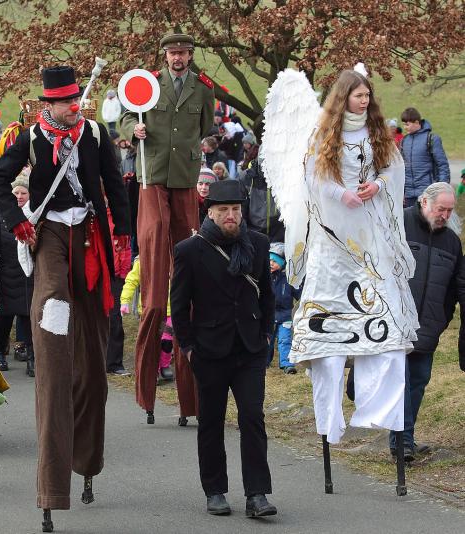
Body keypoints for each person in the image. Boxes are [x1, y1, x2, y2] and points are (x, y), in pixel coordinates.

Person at [0, 65, 131, 531]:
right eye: (64, 101)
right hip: (49, 241)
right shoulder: (29, 137)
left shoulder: (93, 133)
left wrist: (123, 236)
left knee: (92, 370)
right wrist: (17, 221)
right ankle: (52, 489)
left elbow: (113, 185)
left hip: (90, 242)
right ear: (47, 104)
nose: (73, 106)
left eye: (75, 99)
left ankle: (87, 461)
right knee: (53, 351)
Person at [288, 70, 417, 449]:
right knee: (334, 289)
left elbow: (394, 169)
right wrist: (339, 193)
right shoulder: (323, 133)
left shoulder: (378, 134)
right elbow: (312, 176)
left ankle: (375, 408)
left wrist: (377, 184)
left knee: (378, 296)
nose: (363, 101)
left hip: (370, 222)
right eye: (357, 95)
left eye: (367, 95)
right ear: (343, 97)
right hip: (335, 225)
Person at [119, 32, 212, 426]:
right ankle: (147, 393)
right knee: (155, 285)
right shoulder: (146, 83)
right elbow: (125, 116)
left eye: (184, 53)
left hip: (185, 179)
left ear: (190, 56)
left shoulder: (201, 88)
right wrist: (132, 131)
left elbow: (206, 126)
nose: (178, 58)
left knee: (187, 265)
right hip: (152, 175)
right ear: (166, 55)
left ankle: (191, 399)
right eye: (173, 52)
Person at [170, 179, 276, 517]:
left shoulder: (258, 245)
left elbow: (268, 298)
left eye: (236, 210)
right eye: (224, 210)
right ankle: (215, 490)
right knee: (211, 422)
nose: (231, 215)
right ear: (211, 212)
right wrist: (187, 347)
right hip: (209, 350)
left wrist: (267, 336)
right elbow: (179, 303)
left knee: (252, 417)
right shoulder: (190, 250)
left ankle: (257, 494)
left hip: (249, 349)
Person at [388, 182, 465, 460]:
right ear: (424, 202)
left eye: (449, 210)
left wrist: (443, 320)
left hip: (429, 327)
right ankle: (402, 442)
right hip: (395, 322)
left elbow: (458, 288)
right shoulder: (399, 224)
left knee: (418, 381)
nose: (445, 215)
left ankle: (404, 438)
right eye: (440, 209)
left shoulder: (452, 242)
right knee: (401, 381)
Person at [0, 171, 35, 376]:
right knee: (4, 317)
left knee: (29, 317)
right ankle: (1, 352)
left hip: (29, 276)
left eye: (24, 192)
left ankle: (32, 357)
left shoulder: (35, 215)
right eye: (16, 192)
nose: (20, 196)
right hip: (5, 275)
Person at [400, 107, 450, 207]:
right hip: (408, 195)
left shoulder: (431, 139)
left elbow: (442, 165)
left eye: (407, 124)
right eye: (404, 124)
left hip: (428, 193)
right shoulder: (404, 141)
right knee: (409, 222)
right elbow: (401, 169)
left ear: (416, 122)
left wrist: (442, 190)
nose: (405, 127)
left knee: (427, 222)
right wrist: (401, 192)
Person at [267, 243, 298, 374]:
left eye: (275, 261)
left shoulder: (288, 278)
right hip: (269, 315)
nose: (271, 263)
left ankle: (286, 363)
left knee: (285, 340)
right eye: (269, 260)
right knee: (267, 341)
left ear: (282, 263)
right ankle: (264, 362)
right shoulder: (265, 277)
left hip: (285, 315)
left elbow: (297, 292)